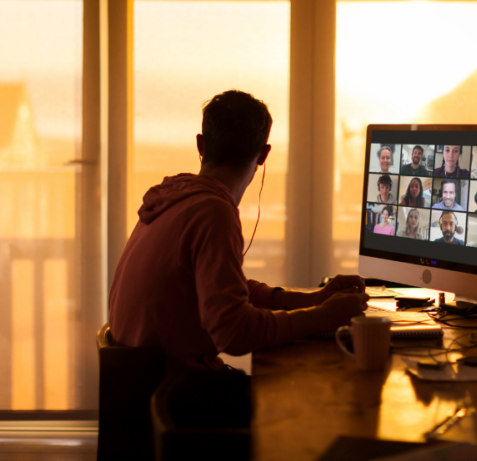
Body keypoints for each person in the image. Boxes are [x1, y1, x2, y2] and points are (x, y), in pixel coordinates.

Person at [108, 90, 368, 371]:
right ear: (263, 155)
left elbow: (222, 288)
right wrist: (321, 317)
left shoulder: (171, 199)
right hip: (174, 397)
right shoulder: (212, 212)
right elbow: (234, 332)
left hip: (138, 390)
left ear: (201, 144)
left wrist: (314, 299)